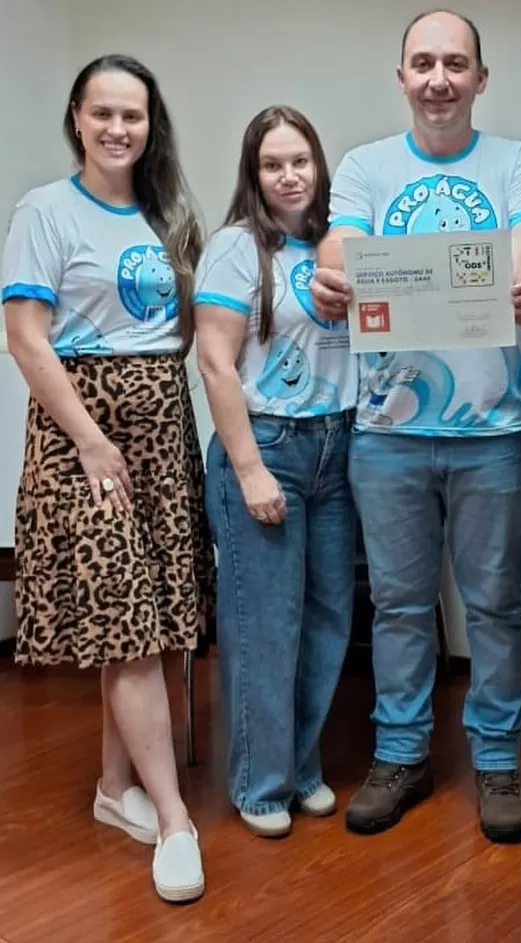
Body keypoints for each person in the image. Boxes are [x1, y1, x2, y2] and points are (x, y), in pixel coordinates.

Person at [311, 8, 521, 843]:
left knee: (494, 607)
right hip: (387, 431)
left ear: (480, 78)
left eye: (455, 63)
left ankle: (496, 759)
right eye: (423, 63)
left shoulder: (517, 162)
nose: (438, 79)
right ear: (401, 78)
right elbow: (340, 249)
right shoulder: (365, 166)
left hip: (493, 430)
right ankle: (400, 753)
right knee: (400, 606)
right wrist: (330, 277)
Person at [0, 54, 213, 903]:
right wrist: (90, 439)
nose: (119, 128)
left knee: (150, 615)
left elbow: (186, 328)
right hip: (82, 433)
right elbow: (26, 336)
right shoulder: (44, 211)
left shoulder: (167, 215)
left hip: (162, 425)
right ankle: (174, 819)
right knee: (123, 616)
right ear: (76, 119)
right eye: (103, 113)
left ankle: (114, 786)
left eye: (134, 115)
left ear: (151, 126)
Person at [194, 106, 357, 838]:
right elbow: (214, 363)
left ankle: (300, 766)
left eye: (300, 161)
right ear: (253, 174)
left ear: (318, 166)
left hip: (337, 447)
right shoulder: (236, 248)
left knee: (328, 617)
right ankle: (261, 784)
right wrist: (251, 469)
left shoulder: (338, 245)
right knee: (266, 625)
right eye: (272, 165)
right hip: (267, 447)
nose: (289, 176)